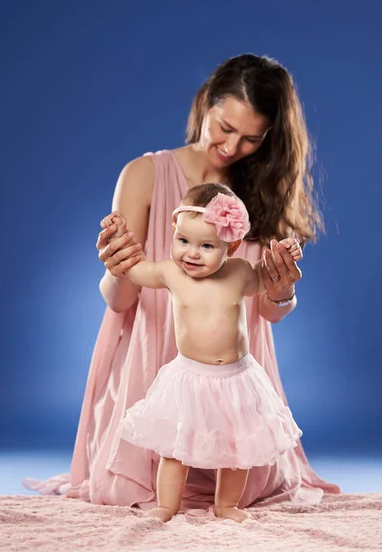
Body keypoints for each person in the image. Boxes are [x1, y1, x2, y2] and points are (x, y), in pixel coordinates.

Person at [23, 53, 341, 509]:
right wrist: (117, 269)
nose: (232, 147)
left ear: (269, 137)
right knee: (143, 475)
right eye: (224, 128)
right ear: (205, 104)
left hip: (234, 375)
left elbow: (269, 312)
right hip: (152, 359)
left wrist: (282, 289)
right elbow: (120, 300)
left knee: (247, 477)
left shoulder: (264, 190)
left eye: (251, 138)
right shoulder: (145, 175)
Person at [107, 182, 303, 523]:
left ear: (233, 246)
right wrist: (119, 242)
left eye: (207, 245)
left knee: (236, 449)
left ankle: (226, 506)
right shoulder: (170, 272)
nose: (191, 253)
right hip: (189, 377)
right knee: (175, 449)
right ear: (174, 230)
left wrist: (284, 256)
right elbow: (134, 268)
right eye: (183, 241)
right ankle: (167, 506)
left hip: (236, 379)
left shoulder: (241, 273)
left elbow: (272, 279)